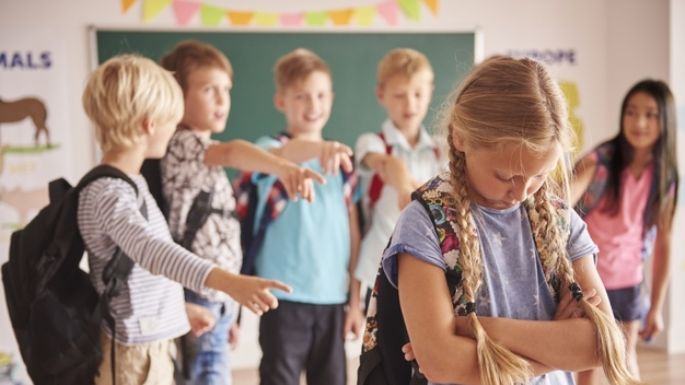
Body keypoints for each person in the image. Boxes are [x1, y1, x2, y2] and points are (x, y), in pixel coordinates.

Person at [371, 55, 641, 385]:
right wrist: (555, 344)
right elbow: (442, 363)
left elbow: (601, 346)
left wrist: (479, 328)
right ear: (460, 138)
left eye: (539, 176)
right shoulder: (424, 223)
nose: (522, 192)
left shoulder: (560, 220)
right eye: (505, 176)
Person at [78, 54, 291, 385]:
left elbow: (143, 273)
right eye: (171, 119)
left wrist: (181, 311)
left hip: (150, 344)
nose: (174, 129)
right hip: (132, 351)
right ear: (149, 124)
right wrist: (230, 283)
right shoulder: (109, 192)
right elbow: (155, 253)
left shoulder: (131, 186)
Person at [157, 40, 324, 385]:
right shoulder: (183, 143)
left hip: (214, 294)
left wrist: (229, 312)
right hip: (197, 290)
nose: (221, 99)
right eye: (208, 89)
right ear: (177, 94)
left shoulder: (203, 157)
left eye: (226, 89)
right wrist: (282, 167)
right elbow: (233, 152)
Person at [245, 48, 363, 385]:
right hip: (282, 297)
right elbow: (284, 154)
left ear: (332, 98)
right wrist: (318, 149)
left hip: (332, 299)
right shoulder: (269, 150)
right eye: (301, 96)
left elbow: (353, 235)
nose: (313, 105)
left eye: (321, 95)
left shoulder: (342, 163)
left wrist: (355, 301)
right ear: (281, 101)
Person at [573, 79, 679, 385]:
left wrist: (656, 307)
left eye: (650, 114)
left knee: (626, 353)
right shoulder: (601, 160)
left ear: (666, 122)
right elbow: (563, 201)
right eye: (631, 112)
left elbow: (665, 244)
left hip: (629, 281)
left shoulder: (665, 176)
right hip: (591, 279)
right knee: (587, 359)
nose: (639, 122)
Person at [353, 48, 445, 303]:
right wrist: (407, 190)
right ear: (381, 95)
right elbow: (388, 164)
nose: (410, 104)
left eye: (418, 94)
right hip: (377, 273)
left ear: (430, 92)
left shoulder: (442, 150)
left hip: (429, 270)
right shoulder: (372, 143)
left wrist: (414, 194)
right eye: (399, 95)